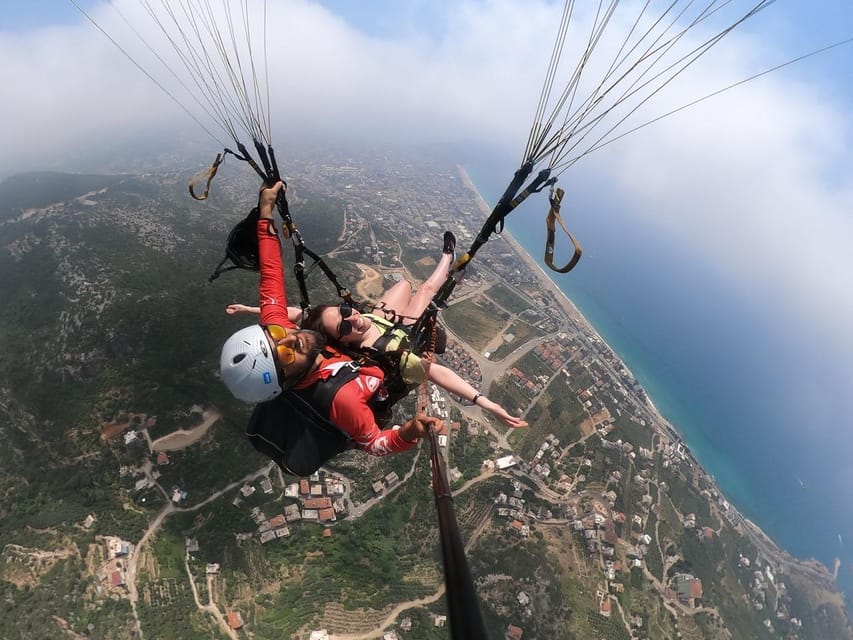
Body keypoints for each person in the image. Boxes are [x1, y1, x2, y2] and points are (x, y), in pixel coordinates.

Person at [219, 181, 442, 460]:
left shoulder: (279, 328)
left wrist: (265, 210)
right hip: (376, 371)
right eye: (286, 354)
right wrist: (407, 434)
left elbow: (271, 273)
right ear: (286, 381)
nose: (291, 338)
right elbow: (373, 442)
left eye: (276, 335)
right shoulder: (342, 400)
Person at [226, 234, 528, 429]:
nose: (350, 317)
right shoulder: (384, 357)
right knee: (426, 290)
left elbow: (301, 313)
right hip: (402, 333)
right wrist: (483, 402)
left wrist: (252, 311)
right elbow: (440, 376)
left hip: (380, 319)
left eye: (345, 311)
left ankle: (444, 269)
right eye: (345, 325)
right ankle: (449, 259)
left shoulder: (353, 321)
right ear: (342, 341)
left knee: (403, 285)